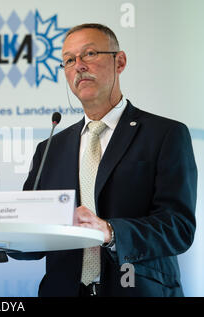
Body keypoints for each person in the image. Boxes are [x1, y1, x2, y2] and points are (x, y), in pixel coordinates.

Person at [19, 23, 197, 296]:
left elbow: (178, 227)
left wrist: (112, 232)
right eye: (68, 60)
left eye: (89, 54)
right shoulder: (49, 148)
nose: (78, 65)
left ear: (120, 61)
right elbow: (31, 233)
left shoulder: (165, 134)